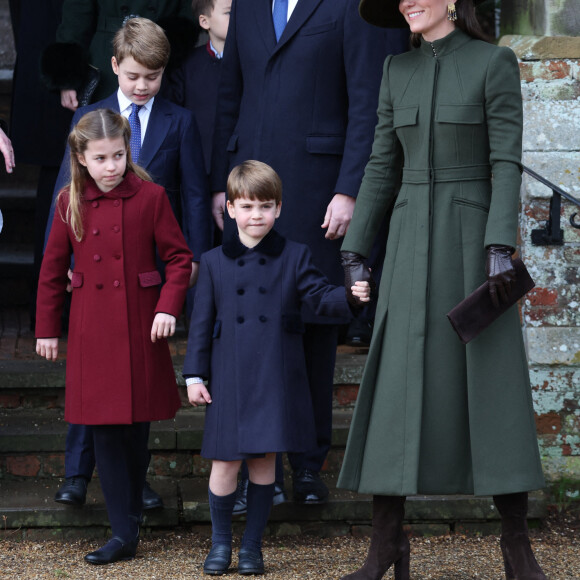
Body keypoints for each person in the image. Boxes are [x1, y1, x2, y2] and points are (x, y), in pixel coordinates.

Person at [337, 1, 547, 579]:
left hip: (472, 243)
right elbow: (382, 163)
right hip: (407, 242)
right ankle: (386, 547)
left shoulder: (492, 63)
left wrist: (499, 244)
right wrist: (356, 250)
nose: (407, 2)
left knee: (492, 382)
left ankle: (516, 546)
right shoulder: (394, 71)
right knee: (396, 385)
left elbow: (505, 161)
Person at [211, 0, 409, 507]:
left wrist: (350, 189)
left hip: (318, 192)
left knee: (313, 331)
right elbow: (228, 94)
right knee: (252, 332)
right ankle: (262, 470)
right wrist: (221, 183)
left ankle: (306, 466)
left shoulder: (350, 6)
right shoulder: (249, 7)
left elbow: (368, 101)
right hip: (250, 191)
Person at [46, 17, 211, 510]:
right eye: (134, 76)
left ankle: (135, 484)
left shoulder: (180, 121)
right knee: (90, 380)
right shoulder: (91, 118)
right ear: (115, 66)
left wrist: (196, 260)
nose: (142, 87)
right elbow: (65, 196)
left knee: (134, 386)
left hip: (148, 271)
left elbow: (196, 197)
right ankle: (78, 473)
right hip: (96, 276)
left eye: (153, 78)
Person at [183, 160, 370, 575]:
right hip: (229, 376)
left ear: (279, 209)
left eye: (265, 207)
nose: (256, 216)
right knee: (224, 463)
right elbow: (200, 325)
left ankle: (251, 547)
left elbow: (321, 298)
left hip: (273, 376)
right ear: (230, 209)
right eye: (247, 207)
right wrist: (194, 375)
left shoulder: (295, 256)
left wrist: (352, 298)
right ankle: (219, 545)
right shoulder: (213, 262)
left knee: (265, 464)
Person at [36, 109, 192, 565]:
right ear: (81, 157)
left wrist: (167, 305)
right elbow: (50, 271)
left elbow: (179, 259)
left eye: (119, 156)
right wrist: (48, 328)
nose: (111, 167)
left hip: (141, 324)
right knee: (104, 431)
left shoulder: (152, 196)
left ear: (128, 150)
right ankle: (123, 532)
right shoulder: (69, 201)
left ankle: (130, 519)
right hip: (92, 328)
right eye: (101, 158)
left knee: (136, 432)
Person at [41, 0, 197, 110]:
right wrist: (67, 79)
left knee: (157, 142)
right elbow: (76, 15)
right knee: (101, 139)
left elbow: (188, 12)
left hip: (159, 59)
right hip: (107, 62)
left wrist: (170, 47)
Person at [168, 0, 231, 176]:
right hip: (198, 164)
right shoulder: (187, 65)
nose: (237, 19)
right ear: (204, 22)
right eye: (229, 13)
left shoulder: (252, 61)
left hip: (240, 167)